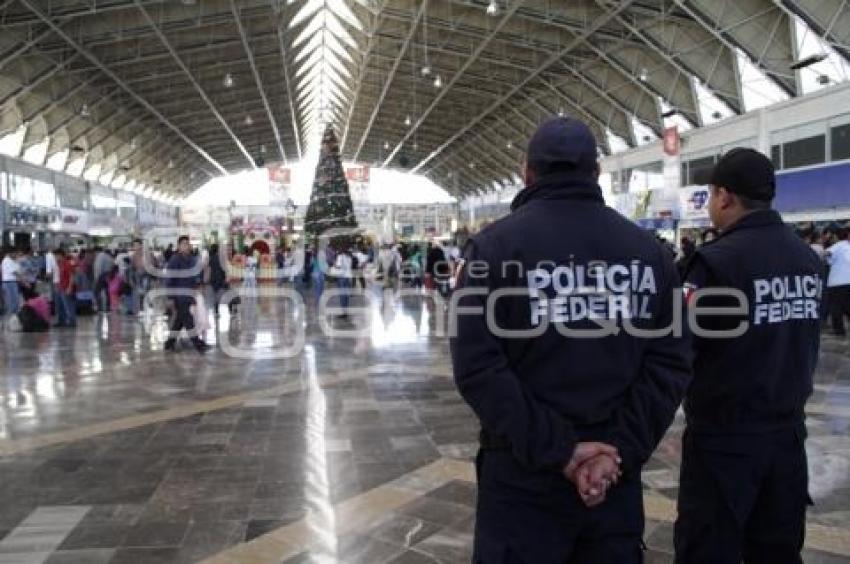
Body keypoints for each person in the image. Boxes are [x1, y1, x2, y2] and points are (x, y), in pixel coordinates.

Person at [451, 117, 692, 563]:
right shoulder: (649, 253)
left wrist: (558, 450)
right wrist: (617, 452)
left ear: (527, 172)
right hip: (611, 480)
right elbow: (670, 363)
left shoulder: (492, 251)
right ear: (595, 172)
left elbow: (477, 367)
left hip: (522, 480)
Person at [674, 148, 823, 562]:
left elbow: (676, 351)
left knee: (707, 550)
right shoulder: (807, 261)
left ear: (724, 196)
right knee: (776, 551)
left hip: (724, 443)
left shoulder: (715, 264)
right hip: (788, 441)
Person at [163, 236, 209, 353]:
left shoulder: (190, 259)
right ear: (179, 246)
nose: (186, 246)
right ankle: (198, 344)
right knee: (188, 321)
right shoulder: (175, 260)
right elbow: (169, 280)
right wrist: (170, 298)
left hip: (189, 294)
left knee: (179, 322)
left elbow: (194, 277)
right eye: (183, 244)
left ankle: (169, 343)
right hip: (179, 295)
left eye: (188, 244)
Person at [826, 228, 850, 336]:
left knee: (836, 309)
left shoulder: (839, 245)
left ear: (836, 236)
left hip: (837, 282)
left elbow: (827, 253)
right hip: (848, 281)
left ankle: (839, 332)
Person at [55, 249, 77, 327]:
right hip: (61, 287)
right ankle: (62, 321)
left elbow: (72, 276)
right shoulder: (60, 264)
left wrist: (69, 287)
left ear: (61, 255)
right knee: (61, 306)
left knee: (68, 305)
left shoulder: (67, 264)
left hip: (66, 288)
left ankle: (72, 321)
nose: (56, 257)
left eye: (57, 256)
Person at [2, 248, 24, 322]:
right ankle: (9, 321)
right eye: (15, 253)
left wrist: (17, 260)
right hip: (8, 283)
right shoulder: (6, 261)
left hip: (13, 282)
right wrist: (24, 281)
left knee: (16, 302)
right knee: (11, 303)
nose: (16, 255)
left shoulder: (12, 260)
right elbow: (15, 272)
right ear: (10, 253)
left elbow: (19, 270)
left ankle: (14, 320)